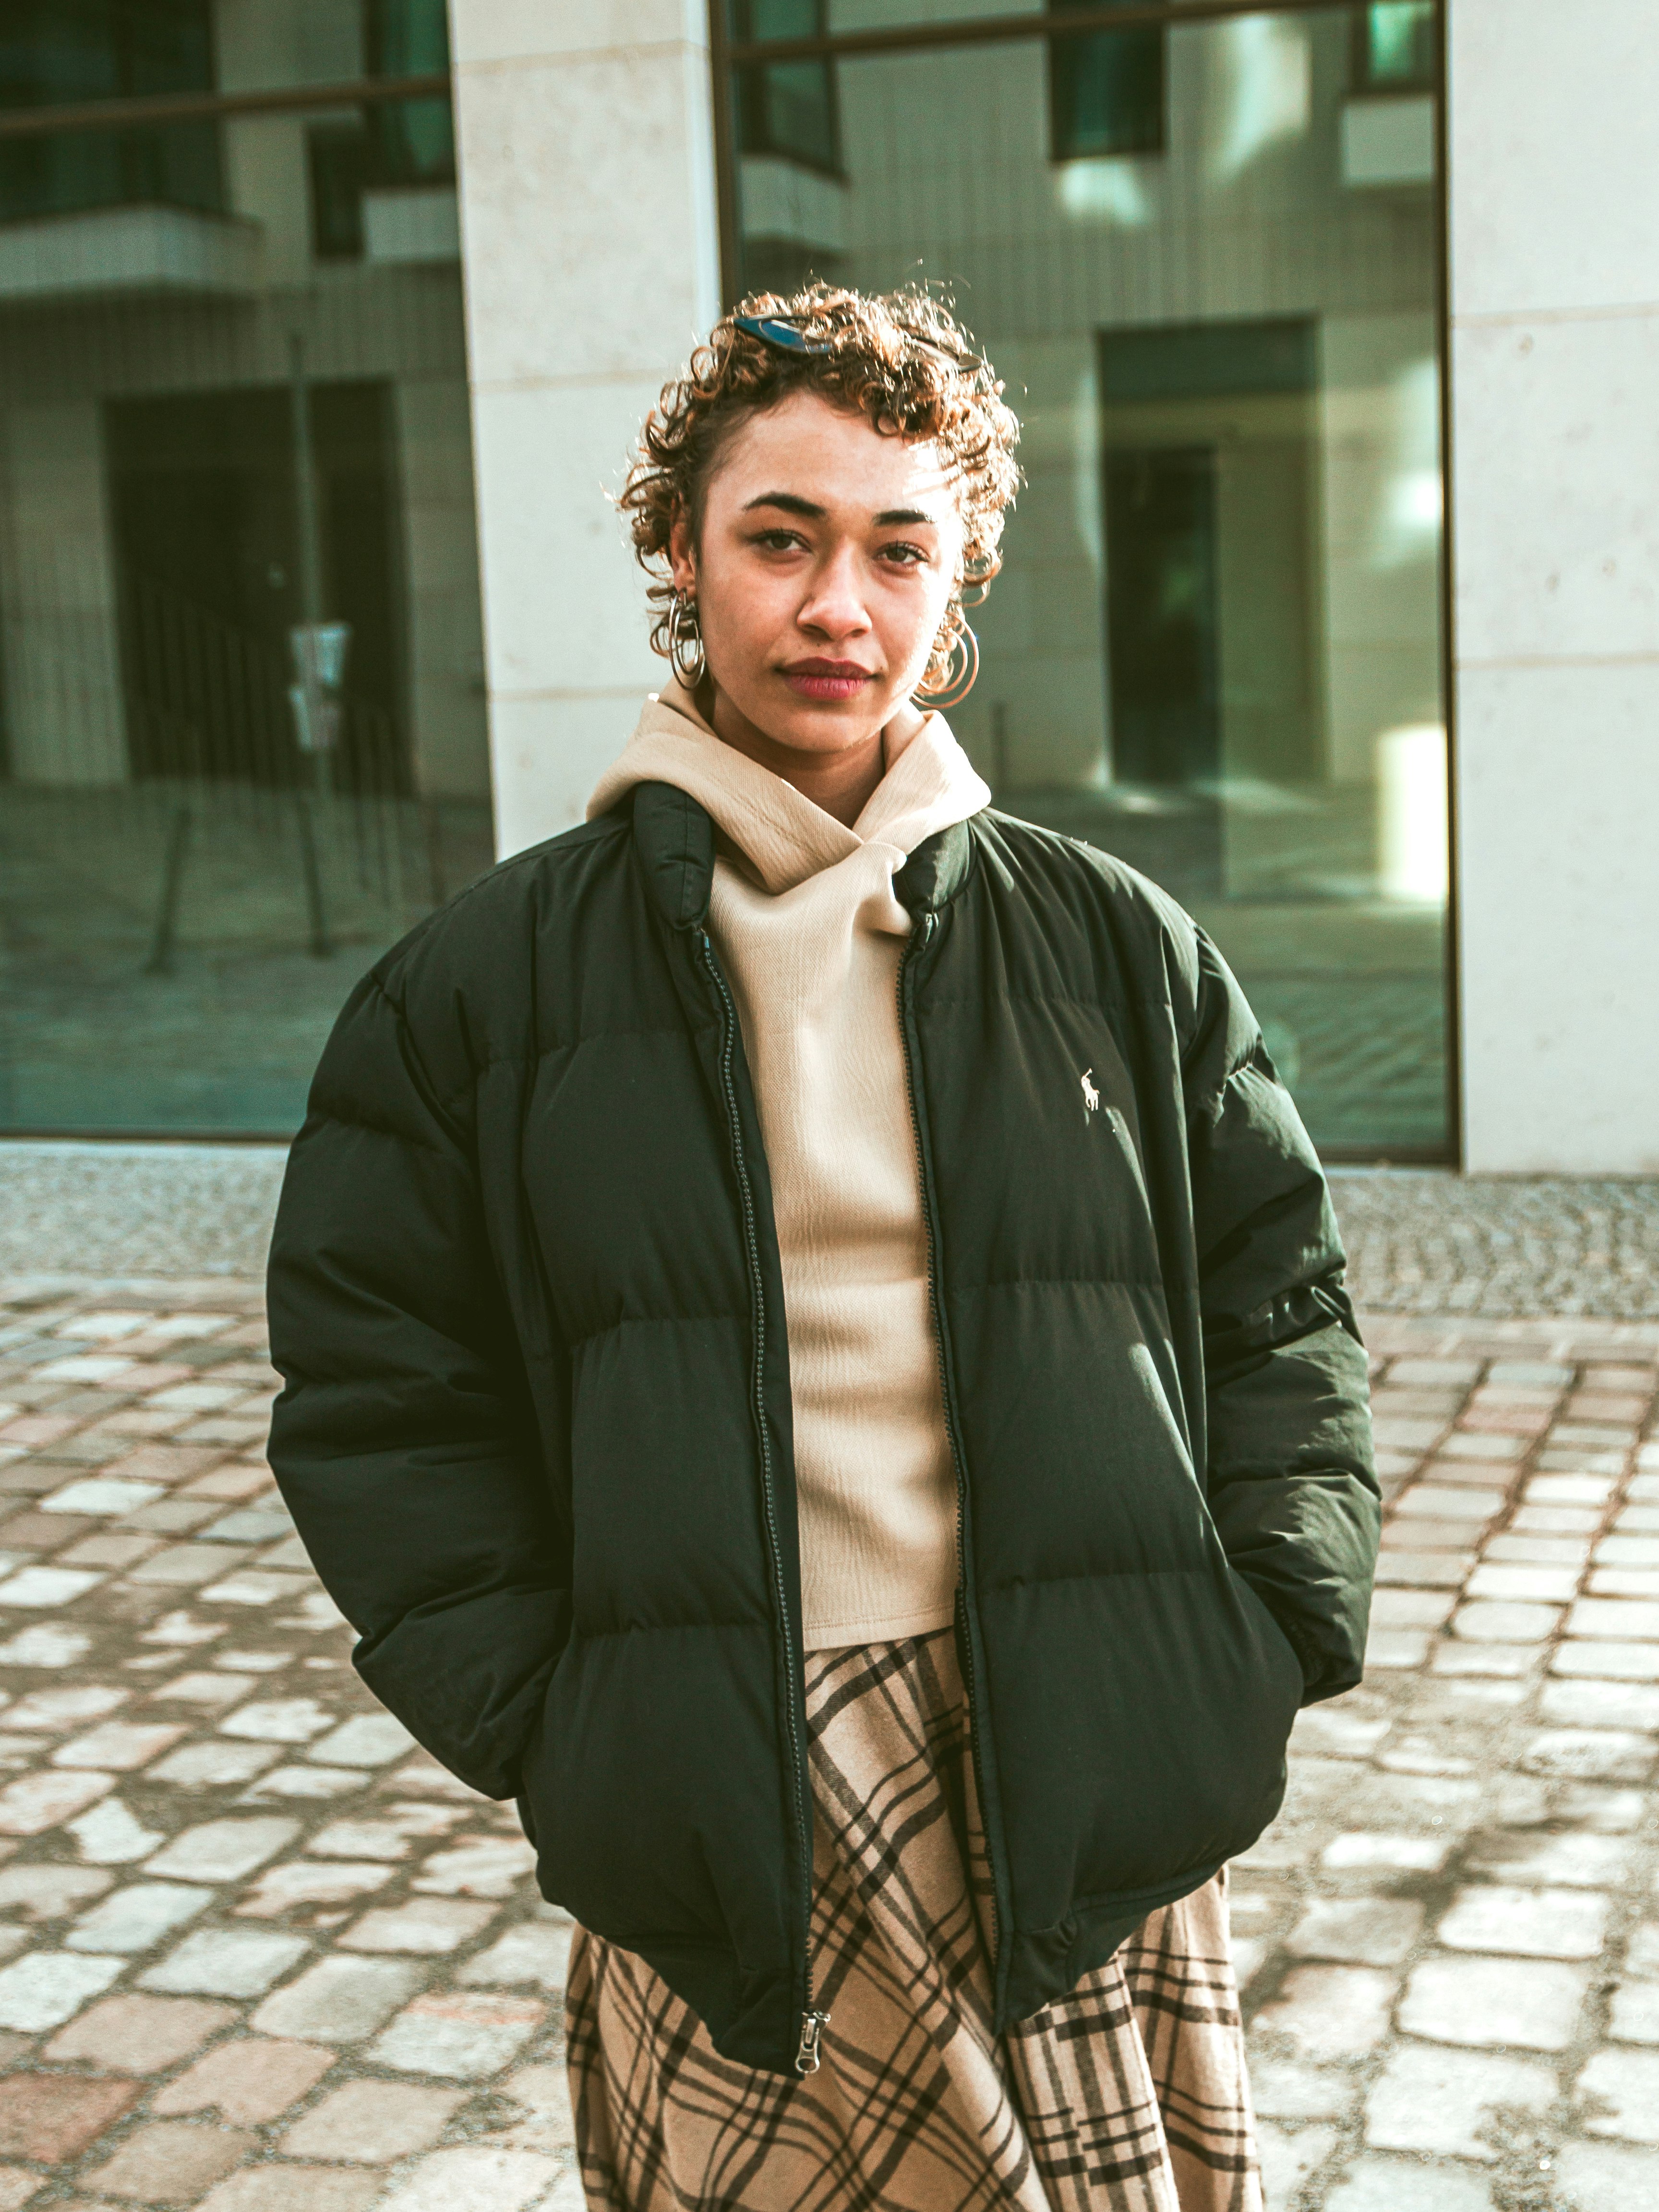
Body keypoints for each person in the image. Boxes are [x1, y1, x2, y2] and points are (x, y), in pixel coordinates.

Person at [266, 284, 1378, 2212]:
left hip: (1088, 1743)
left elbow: (1283, 1301)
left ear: (962, 584)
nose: (834, 606)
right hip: (717, 1791)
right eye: (779, 537)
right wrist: (559, 1723)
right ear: (682, 557)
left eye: (896, 546)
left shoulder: (1119, 946)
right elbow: (377, 1389)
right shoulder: (481, 987)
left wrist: (1264, 1630)